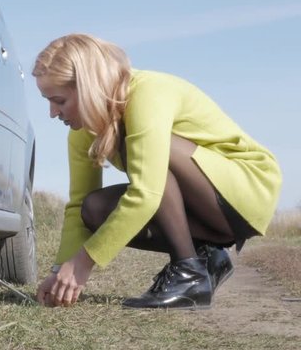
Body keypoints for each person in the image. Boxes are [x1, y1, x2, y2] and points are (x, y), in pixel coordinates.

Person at [33, 33, 282, 310]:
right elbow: (79, 202)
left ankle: (189, 272)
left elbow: (146, 193)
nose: (52, 113)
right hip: (202, 206)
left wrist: (83, 262)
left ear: (89, 87)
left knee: (145, 158)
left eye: (59, 100)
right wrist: (59, 273)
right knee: (94, 208)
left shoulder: (146, 93)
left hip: (246, 187)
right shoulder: (82, 132)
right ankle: (205, 256)